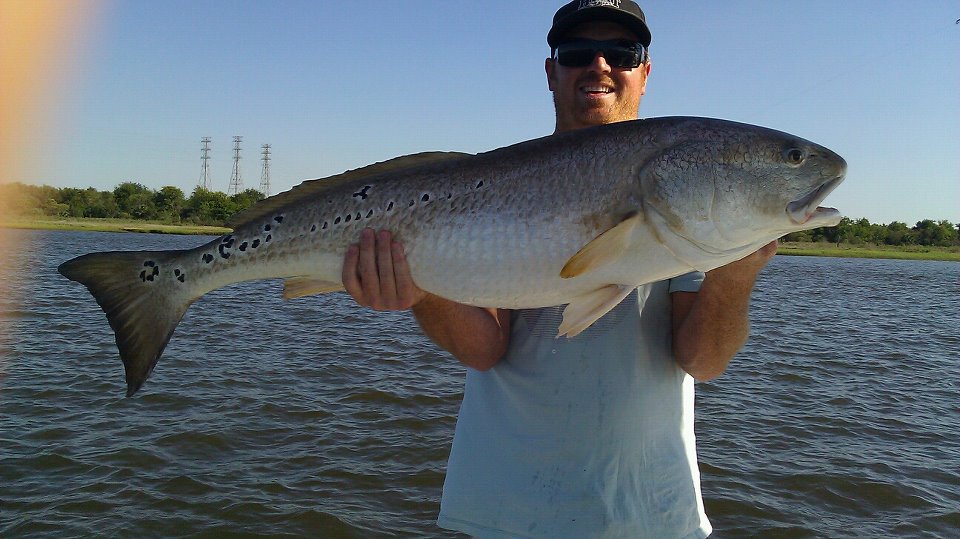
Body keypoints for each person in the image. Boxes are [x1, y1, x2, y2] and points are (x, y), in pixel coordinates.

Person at [341, 1, 777, 537]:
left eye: (622, 52)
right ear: (551, 72)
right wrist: (423, 289)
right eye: (577, 53)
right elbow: (483, 349)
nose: (599, 65)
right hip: (504, 513)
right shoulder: (495, 185)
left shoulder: (685, 201)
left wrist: (736, 273)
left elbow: (703, 361)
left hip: (652, 515)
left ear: (644, 73)